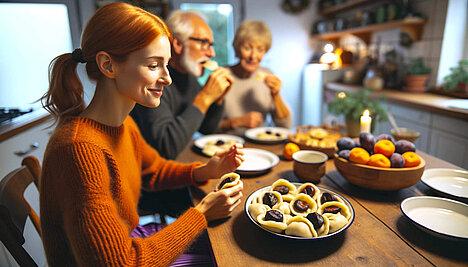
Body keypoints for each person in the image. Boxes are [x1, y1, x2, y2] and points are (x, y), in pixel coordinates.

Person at [39, 3, 243, 266]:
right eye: (154, 65)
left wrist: (205, 171)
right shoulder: (79, 149)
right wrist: (202, 213)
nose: (167, 78)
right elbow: (122, 263)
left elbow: (154, 171)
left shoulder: (122, 125)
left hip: (130, 241)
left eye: (166, 64)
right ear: (108, 65)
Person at [130, 10, 234, 216]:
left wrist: (218, 100)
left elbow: (207, 129)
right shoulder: (155, 82)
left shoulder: (188, 77)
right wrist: (204, 98)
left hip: (178, 171)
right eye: (205, 43)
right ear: (177, 44)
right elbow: (166, 145)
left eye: (212, 45)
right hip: (150, 188)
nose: (212, 53)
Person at [219, 20, 292, 135]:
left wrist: (276, 95)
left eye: (260, 49)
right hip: (226, 147)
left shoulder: (267, 75)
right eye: (247, 48)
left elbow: (285, 126)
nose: (253, 56)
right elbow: (207, 127)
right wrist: (236, 122)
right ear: (237, 48)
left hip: (259, 146)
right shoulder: (222, 75)